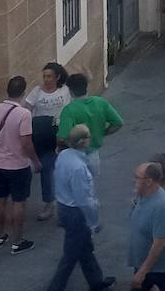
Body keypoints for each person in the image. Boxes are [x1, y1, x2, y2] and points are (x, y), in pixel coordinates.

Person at [46, 125, 114, 291]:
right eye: (89, 137)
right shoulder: (79, 167)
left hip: (64, 207)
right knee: (71, 255)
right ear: (83, 142)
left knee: (85, 249)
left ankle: (97, 282)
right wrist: (94, 222)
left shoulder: (64, 155)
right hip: (76, 213)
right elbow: (84, 200)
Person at [0, 74, 38, 254]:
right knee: (18, 202)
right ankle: (17, 240)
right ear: (23, 91)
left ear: (7, 90)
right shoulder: (24, 114)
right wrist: (35, 161)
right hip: (18, 165)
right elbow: (26, 142)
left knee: (0, 199)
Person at [24, 62, 71, 222]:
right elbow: (26, 109)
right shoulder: (37, 91)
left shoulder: (64, 91)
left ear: (57, 77)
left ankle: (60, 204)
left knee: (57, 170)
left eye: (49, 76)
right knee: (45, 169)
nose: (46, 79)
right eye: (44, 76)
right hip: (40, 136)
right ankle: (49, 202)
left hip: (59, 135)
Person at [128, 162, 165, 291]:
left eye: (137, 177)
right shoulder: (143, 196)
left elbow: (159, 243)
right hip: (145, 263)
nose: (133, 180)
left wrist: (142, 272)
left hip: (163, 268)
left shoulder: (162, 206)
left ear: (148, 181)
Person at [57, 73, 123, 177]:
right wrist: (102, 132)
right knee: (90, 187)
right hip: (93, 155)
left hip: (75, 155)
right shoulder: (100, 102)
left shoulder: (68, 110)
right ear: (86, 87)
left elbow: (62, 137)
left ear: (70, 90)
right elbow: (118, 123)